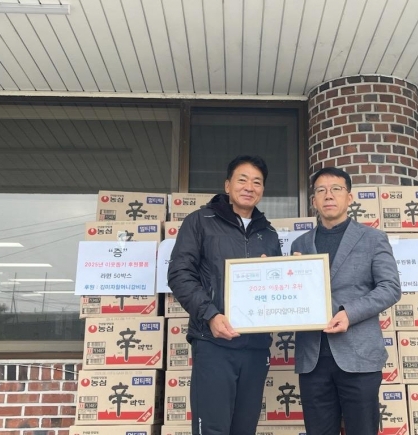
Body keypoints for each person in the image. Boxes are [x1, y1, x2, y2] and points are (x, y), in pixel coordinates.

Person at [167, 155, 282, 435]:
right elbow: (180, 274)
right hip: (214, 342)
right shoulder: (200, 221)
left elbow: (276, 286)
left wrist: (290, 274)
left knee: (244, 428)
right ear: (227, 185)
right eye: (242, 179)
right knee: (213, 429)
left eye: (257, 182)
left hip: (255, 347)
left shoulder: (268, 233)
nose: (249, 187)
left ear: (262, 190)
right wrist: (210, 315)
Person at [291, 167, 401, 435]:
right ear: (313, 200)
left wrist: (349, 313)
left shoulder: (373, 238)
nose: (328, 195)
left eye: (336, 189)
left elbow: (390, 288)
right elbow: (293, 294)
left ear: (349, 197)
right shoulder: (300, 244)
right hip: (313, 358)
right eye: (321, 190)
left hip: (359, 356)